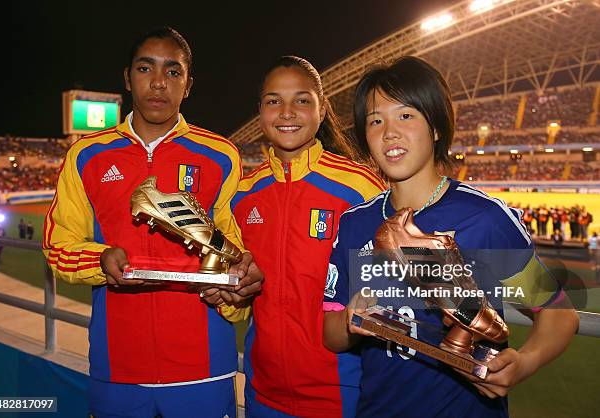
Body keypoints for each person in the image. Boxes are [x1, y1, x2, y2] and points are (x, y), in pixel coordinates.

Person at [322, 56, 579, 418]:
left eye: (406, 116)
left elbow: (557, 313)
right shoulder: (354, 224)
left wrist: (523, 363)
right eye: (375, 120)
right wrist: (351, 318)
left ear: (437, 127)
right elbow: (331, 335)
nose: (389, 132)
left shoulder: (484, 218)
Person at [43, 27, 262, 418]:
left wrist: (236, 295)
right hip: (119, 371)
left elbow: (236, 253)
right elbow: (58, 247)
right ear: (127, 78)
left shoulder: (221, 155)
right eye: (146, 69)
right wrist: (101, 261)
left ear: (188, 85)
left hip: (205, 369)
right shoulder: (85, 156)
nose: (159, 82)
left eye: (173, 72)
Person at [230, 56, 385, 417]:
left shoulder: (360, 189)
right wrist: (230, 294)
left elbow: (390, 287)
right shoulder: (243, 195)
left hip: (342, 395)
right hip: (262, 392)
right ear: (260, 111)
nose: (287, 112)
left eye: (301, 100)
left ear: (322, 108)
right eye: (273, 101)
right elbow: (237, 299)